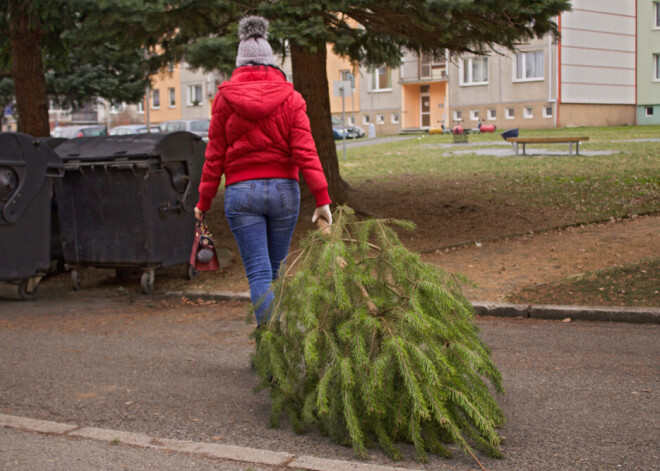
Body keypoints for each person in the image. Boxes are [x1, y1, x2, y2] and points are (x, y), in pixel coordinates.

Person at [194, 16, 332, 326]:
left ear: (239, 64)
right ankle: (277, 355)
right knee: (275, 270)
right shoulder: (292, 98)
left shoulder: (224, 100)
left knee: (258, 271)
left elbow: (214, 156)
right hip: (285, 191)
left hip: (242, 192)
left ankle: (272, 349)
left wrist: (203, 203)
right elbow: (306, 151)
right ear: (273, 63)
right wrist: (322, 198)